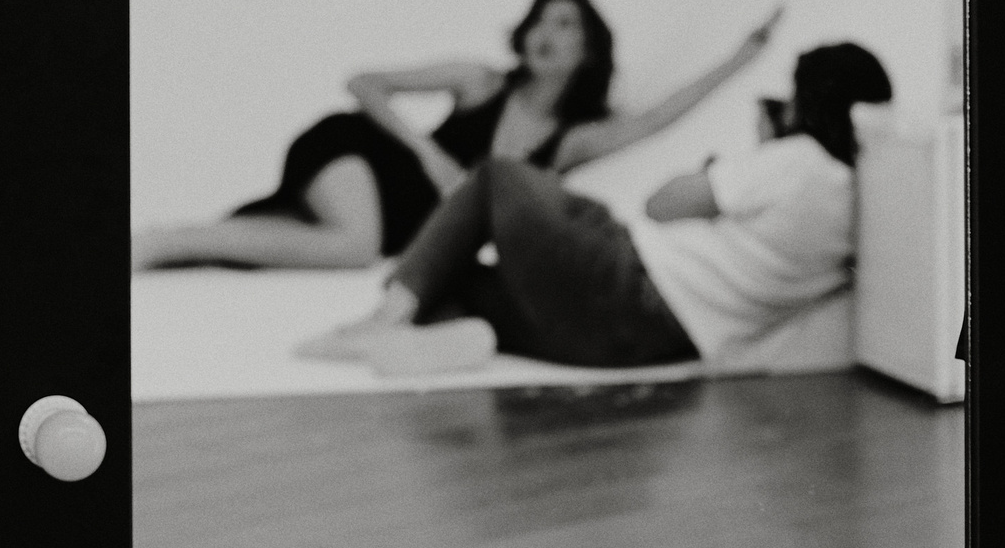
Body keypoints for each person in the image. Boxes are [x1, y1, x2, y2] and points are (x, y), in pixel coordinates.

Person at [302, 41, 895, 375]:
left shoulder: (802, 161)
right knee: (465, 278)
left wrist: (734, 161)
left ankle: (382, 321)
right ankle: (469, 335)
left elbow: (663, 204)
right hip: (647, 344)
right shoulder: (862, 200)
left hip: (628, 278)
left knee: (498, 178)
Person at [130, 0, 783, 272]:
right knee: (354, 246)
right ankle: (160, 242)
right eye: (540, 20)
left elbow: (658, 119)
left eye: (565, 24)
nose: (546, 33)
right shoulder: (480, 80)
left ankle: (177, 245)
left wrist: (742, 56)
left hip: (397, 222)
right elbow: (364, 83)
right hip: (358, 153)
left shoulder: (571, 140)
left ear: (588, 50)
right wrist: (427, 154)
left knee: (338, 243)